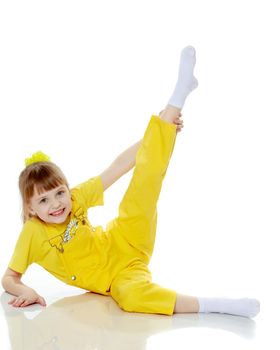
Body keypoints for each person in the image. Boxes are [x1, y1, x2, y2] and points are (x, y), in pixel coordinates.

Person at [1, 46, 260, 318]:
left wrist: (161, 130)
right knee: (132, 297)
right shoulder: (32, 233)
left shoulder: (75, 198)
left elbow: (120, 165)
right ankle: (220, 306)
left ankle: (177, 98)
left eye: (59, 193)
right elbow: (9, 278)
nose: (56, 204)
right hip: (119, 277)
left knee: (144, 186)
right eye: (44, 200)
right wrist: (24, 290)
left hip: (125, 238)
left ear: (67, 190)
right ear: (30, 208)